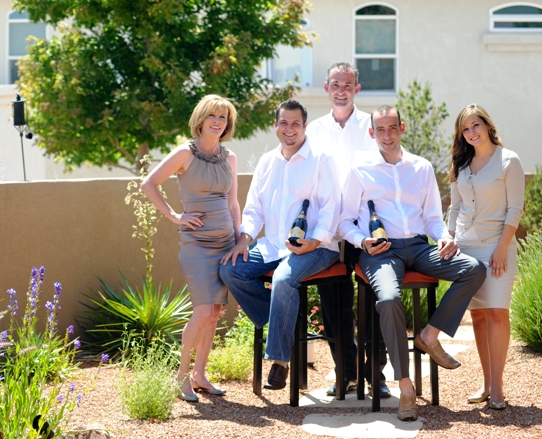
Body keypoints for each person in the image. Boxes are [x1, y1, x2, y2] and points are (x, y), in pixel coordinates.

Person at [338, 105, 487, 421]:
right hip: (381, 253)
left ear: (402, 128)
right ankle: (405, 388)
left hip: (420, 247)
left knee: (473, 269)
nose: (387, 135)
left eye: (392, 128)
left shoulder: (421, 168)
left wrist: (444, 236)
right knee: (389, 299)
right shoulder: (359, 171)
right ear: (372, 133)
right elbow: (345, 221)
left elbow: (433, 217)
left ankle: (429, 336)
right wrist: (361, 241)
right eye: (381, 129)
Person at [219, 99, 341, 391]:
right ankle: (284, 326)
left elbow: (331, 208)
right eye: (284, 123)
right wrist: (244, 240)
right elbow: (254, 210)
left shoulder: (322, 158)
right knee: (230, 269)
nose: (289, 129)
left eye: (295, 123)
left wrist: (313, 241)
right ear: (276, 125)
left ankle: (280, 361)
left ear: (305, 126)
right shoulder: (266, 162)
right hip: (273, 245)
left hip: (317, 248)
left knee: (285, 279)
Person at [141, 94, 241, 402]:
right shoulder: (185, 153)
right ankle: (181, 377)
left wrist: (240, 239)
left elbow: (233, 202)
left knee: (214, 312)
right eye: (213, 115)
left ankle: (200, 375)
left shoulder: (230, 158)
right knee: (202, 310)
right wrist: (175, 216)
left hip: (225, 243)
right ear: (201, 118)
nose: (218, 121)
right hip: (196, 245)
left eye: (223, 117)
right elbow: (149, 183)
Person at [306, 62, 389, 398]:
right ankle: (347, 373)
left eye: (348, 84)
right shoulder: (313, 130)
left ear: (357, 89)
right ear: (327, 88)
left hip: (362, 228)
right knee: (333, 306)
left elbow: (382, 172)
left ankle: (377, 376)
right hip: (327, 233)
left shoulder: (371, 126)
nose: (341, 89)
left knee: (373, 302)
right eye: (335, 84)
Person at [448, 104, 524, 410]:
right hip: (466, 249)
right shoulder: (461, 165)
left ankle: (498, 387)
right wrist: (449, 238)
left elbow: (515, 209)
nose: (471, 133)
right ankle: (486, 382)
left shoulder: (509, 161)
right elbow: (454, 208)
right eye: (465, 129)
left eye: (475, 125)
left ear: (488, 126)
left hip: (498, 247)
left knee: (496, 312)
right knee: (478, 315)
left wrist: (502, 248)